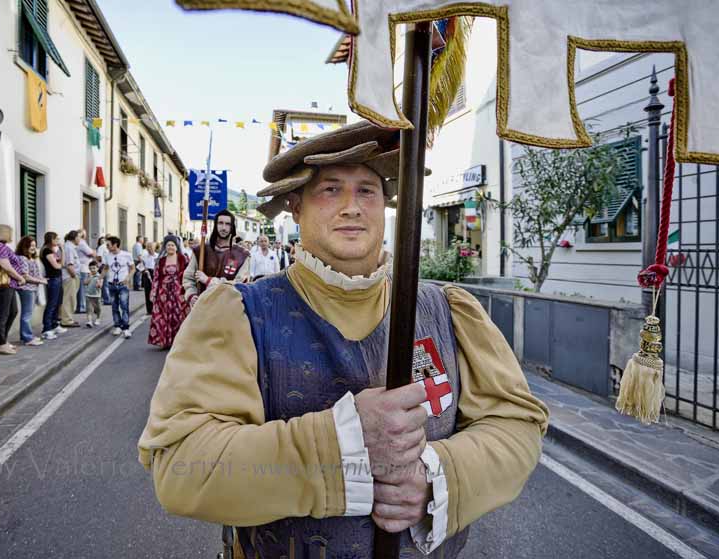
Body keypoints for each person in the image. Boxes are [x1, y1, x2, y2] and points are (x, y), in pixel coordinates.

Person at [138, 121, 549, 558]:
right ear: (295, 206)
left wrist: (437, 477)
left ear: (386, 205)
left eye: (367, 191)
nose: (352, 207)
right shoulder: (236, 314)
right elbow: (182, 466)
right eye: (331, 189)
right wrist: (341, 448)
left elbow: (516, 427)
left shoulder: (450, 311)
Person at [182, 209, 250, 306]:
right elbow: (188, 278)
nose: (223, 228)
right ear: (215, 225)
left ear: (232, 227)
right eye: (220, 223)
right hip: (203, 307)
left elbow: (239, 286)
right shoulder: (200, 250)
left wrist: (209, 280)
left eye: (228, 224)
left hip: (229, 309)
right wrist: (191, 295)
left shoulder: (242, 255)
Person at [0, 224, 27, 355]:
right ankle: (0, 343)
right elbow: (6, 266)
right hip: (5, 285)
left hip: (9, 285)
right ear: (5, 233)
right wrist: (20, 277)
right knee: (3, 314)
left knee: (12, 311)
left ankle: (2, 340)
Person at [148, 236, 190, 349]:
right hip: (163, 293)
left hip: (179, 292)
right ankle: (164, 341)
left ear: (176, 247)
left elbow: (188, 275)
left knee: (179, 315)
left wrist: (189, 290)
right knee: (163, 317)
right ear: (165, 247)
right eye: (168, 245)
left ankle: (179, 342)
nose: (170, 247)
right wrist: (153, 292)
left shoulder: (183, 259)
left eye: (173, 245)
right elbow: (156, 277)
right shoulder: (161, 261)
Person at [14, 236, 48, 346]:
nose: (34, 248)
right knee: (27, 314)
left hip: (32, 288)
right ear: (25, 246)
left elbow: (33, 274)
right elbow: (25, 276)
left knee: (28, 313)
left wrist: (41, 279)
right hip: (26, 289)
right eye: (31, 245)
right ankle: (27, 338)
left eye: (34, 245)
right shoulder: (22, 258)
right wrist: (40, 281)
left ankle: (26, 336)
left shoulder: (31, 258)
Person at [102, 236, 134, 339]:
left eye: (108, 245)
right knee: (114, 306)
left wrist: (128, 278)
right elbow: (105, 268)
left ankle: (125, 328)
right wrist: (99, 279)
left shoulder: (126, 255)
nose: (107, 247)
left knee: (124, 306)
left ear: (115, 245)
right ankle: (117, 326)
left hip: (123, 285)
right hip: (111, 284)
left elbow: (133, 268)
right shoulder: (107, 255)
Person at [40, 232, 64, 340]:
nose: (58, 240)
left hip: (58, 279)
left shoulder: (53, 251)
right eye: (56, 238)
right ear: (51, 240)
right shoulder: (47, 251)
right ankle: (46, 329)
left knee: (58, 302)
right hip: (53, 279)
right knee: (52, 304)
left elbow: (61, 264)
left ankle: (54, 325)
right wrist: (62, 253)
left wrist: (61, 252)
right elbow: (57, 266)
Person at [59, 230, 81, 328]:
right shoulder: (69, 248)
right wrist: (74, 276)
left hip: (70, 276)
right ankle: (66, 320)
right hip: (69, 277)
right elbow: (69, 265)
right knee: (69, 299)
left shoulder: (70, 247)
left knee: (70, 298)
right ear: (75, 237)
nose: (80, 239)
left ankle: (67, 318)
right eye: (79, 237)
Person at [75, 228, 96, 314]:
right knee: (83, 289)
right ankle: (82, 307)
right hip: (83, 268)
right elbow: (92, 253)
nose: (85, 235)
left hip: (83, 268)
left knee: (82, 289)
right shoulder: (82, 243)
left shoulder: (80, 243)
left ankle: (81, 306)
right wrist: (93, 252)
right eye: (84, 233)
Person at [84, 260, 103, 328]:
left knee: (98, 309)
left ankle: (98, 318)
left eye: (94, 268)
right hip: (88, 295)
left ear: (97, 268)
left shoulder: (100, 276)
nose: (92, 270)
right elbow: (85, 283)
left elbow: (100, 286)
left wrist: (99, 284)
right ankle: (89, 321)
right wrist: (90, 277)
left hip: (97, 296)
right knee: (89, 309)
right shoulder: (89, 275)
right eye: (91, 268)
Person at [141, 242, 158, 315]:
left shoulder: (158, 256)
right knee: (147, 291)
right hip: (147, 273)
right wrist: (144, 270)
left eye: (151, 247)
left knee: (156, 292)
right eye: (148, 247)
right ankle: (149, 310)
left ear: (154, 248)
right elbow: (140, 266)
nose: (149, 249)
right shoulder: (144, 256)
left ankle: (157, 307)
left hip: (156, 273)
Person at [96, 236, 111, 305]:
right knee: (105, 283)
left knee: (106, 283)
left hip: (108, 265)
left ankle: (106, 298)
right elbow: (99, 256)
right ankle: (107, 299)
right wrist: (103, 262)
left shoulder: (108, 247)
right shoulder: (102, 247)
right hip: (104, 266)